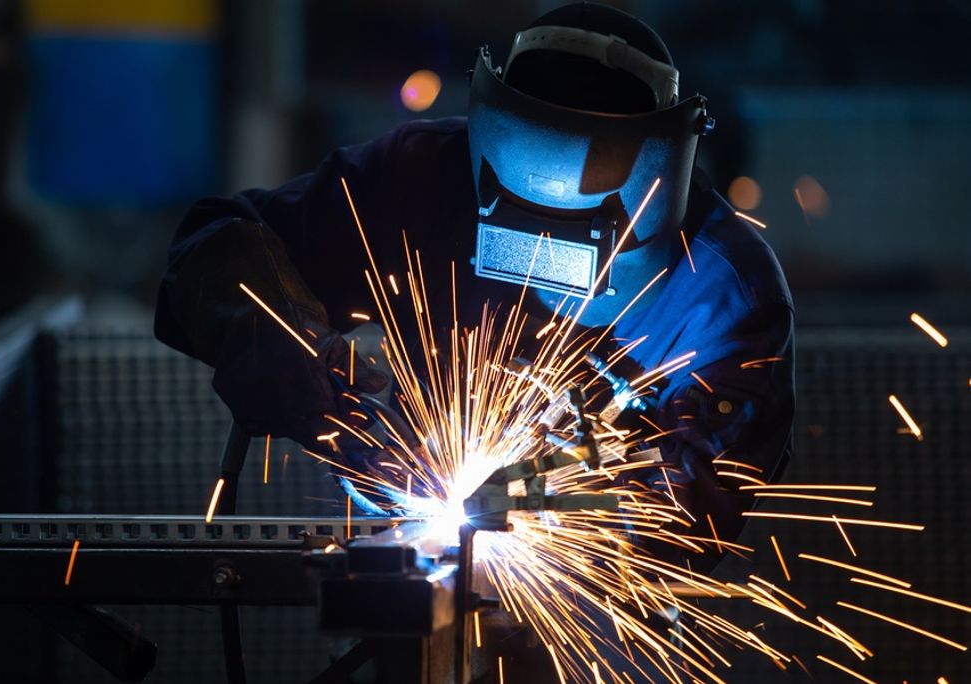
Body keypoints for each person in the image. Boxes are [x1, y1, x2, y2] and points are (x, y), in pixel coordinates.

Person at [155, 1, 793, 573]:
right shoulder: (417, 180)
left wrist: (568, 487)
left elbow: (706, 507)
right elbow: (216, 242)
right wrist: (288, 346)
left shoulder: (723, 291)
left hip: (608, 621)